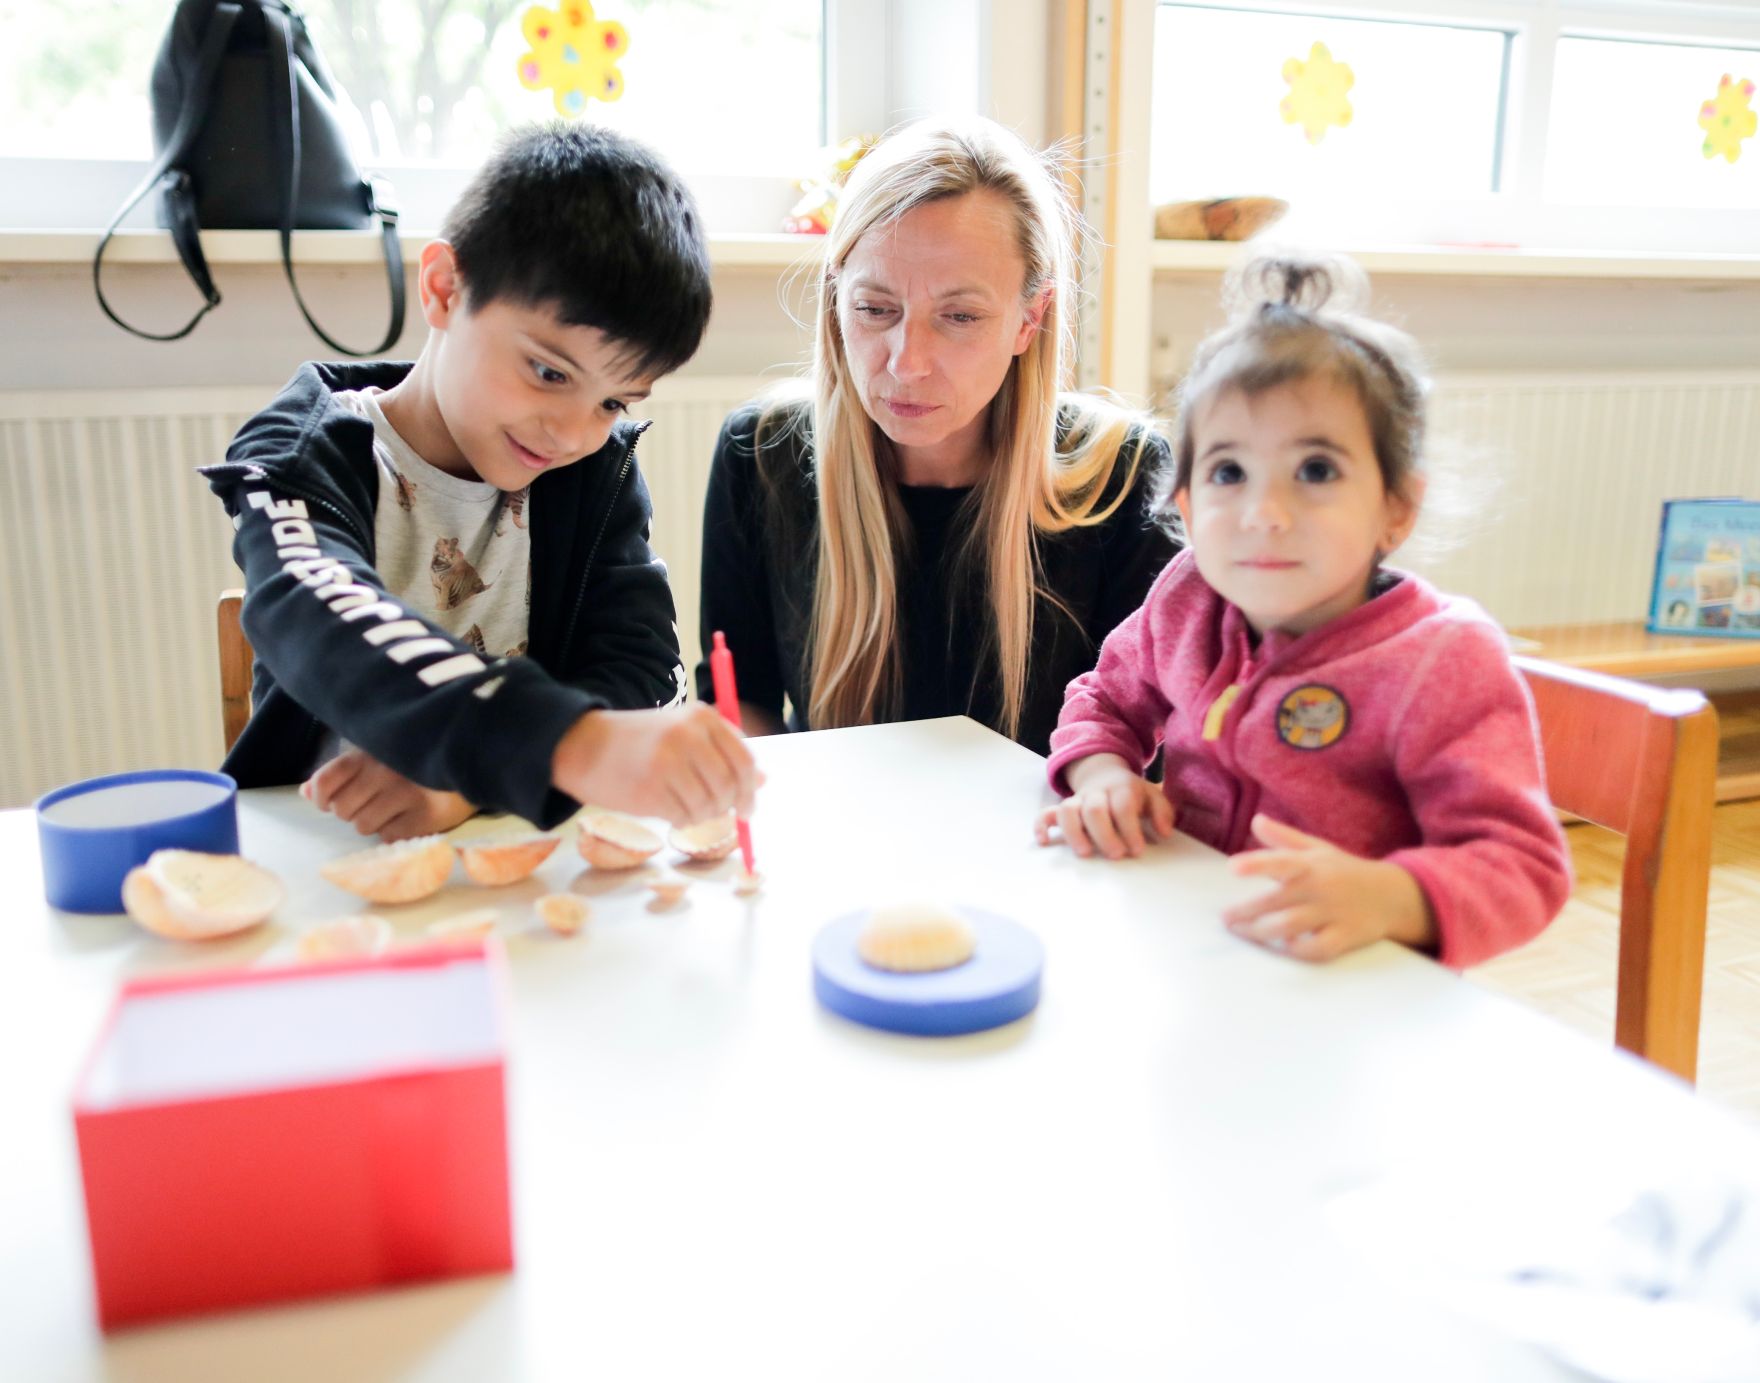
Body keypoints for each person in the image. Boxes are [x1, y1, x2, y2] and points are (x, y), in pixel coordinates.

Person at [202, 123, 758, 840]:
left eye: (612, 403)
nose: (571, 433)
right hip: (320, 849)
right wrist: (562, 744)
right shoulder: (300, 456)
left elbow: (644, 675)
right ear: (443, 289)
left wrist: (470, 785)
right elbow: (318, 617)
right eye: (549, 372)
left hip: (511, 846)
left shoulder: (591, 471)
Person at [1036, 254, 1571, 969]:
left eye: (1316, 470)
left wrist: (1390, 896)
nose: (1264, 512)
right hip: (1193, 949)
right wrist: (1102, 775)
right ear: (1187, 506)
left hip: (1349, 983)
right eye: (1229, 471)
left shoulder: (1443, 658)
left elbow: (1523, 865)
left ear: (1396, 508)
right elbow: (1105, 699)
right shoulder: (1188, 596)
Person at [696, 117, 1178, 755]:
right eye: (874, 309)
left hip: (1048, 819)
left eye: (959, 316)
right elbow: (739, 700)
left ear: (1028, 321)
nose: (907, 363)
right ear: (836, 300)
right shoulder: (763, 454)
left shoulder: (1121, 474)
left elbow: (1145, 740)